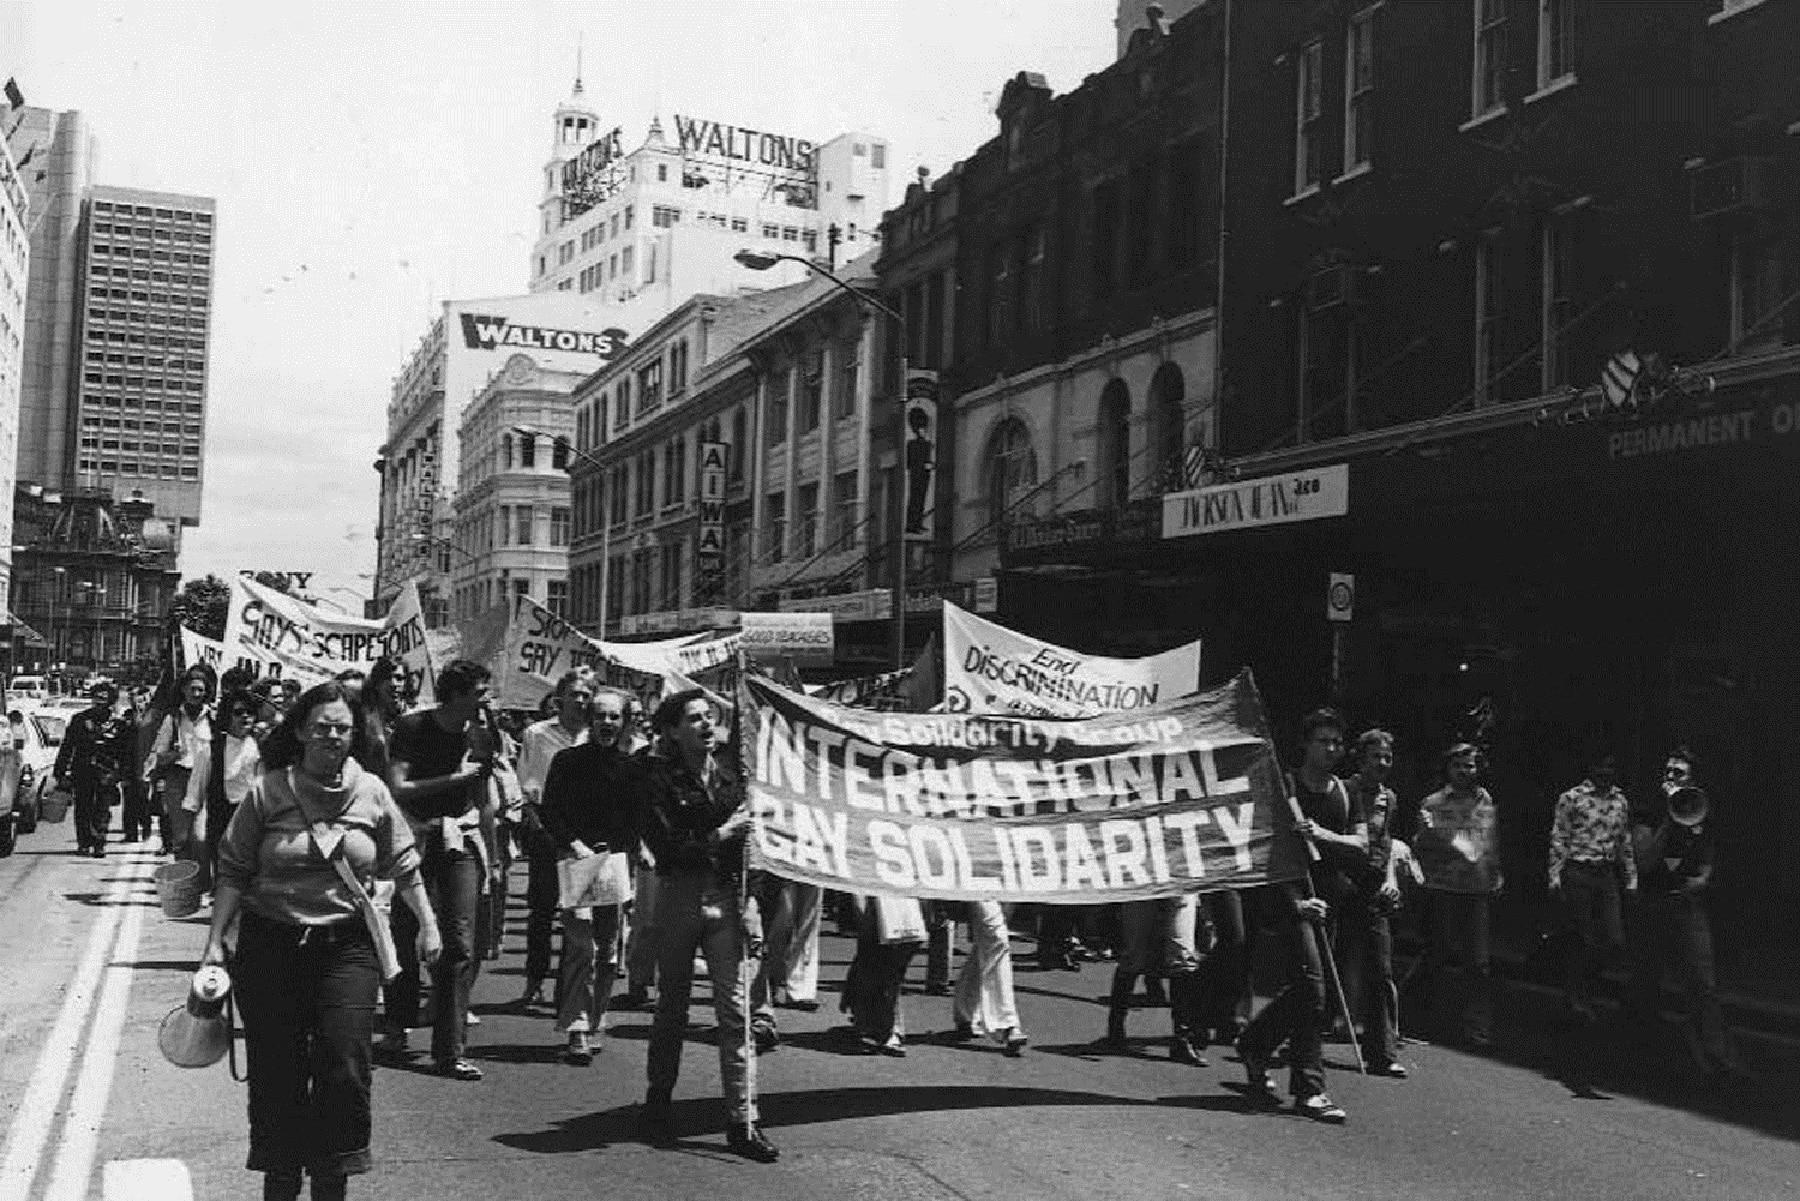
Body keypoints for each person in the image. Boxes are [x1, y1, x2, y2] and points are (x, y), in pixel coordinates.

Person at [204, 680, 442, 1201]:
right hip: (271, 944)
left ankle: (332, 1181)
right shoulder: (269, 791)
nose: (331, 737)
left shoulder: (373, 791)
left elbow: (404, 862)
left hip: (346, 947)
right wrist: (215, 942)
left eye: (341, 728)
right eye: (321, 727)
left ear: (354, 735)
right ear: (301, 732)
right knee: (278, 1070)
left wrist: (428, 922)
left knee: (344, 1064)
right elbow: (233, 868)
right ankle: (282, 1179)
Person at [635, 689, 776, 1163]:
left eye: (710, 717)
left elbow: (750, 846)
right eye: (693, 718)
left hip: (728, 897)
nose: (705, 725)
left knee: (735, 1013)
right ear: (673, 730)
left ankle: (743, 1119)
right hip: (680, 896)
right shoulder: (658, 780)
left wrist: (752, 896)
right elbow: (669, 847)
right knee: (673, 1002)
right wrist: (722, 832)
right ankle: (659, 1098)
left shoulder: (733, 779)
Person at [379, 660, 498, 1080]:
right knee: (406, 932)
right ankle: (396, 1025)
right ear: (458, 695)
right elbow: (399, 787)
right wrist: (454, 777)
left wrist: (494, 855)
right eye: (481, 691)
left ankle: (450, 1050)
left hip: (458, 840)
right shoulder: (412, 728)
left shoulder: (483, 733)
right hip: (411, 836)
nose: (487, 699)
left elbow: (483, 796)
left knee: (458, 942)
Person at [1236, 708, 1354, 1124]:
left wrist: (1322, 836)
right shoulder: (1283, 787)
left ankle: (1254, 1042)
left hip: (1329, 902)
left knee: (1308, 991)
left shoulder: (1345, 791)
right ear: (1305, 744)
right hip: (1292, 900)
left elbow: (1360, 842)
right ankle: (1310, 1089)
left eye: (1337, 742)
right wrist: (1295, 903)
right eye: (1323, 741)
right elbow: (1265, 850)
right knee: (1313, 989)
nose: (1331, 749)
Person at [1626, 748, 1741, 1080]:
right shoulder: (1648, 812)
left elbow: (1709, 858)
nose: (1672, 777)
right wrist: (1668, 817)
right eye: (1669, 771)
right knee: (1645, 981)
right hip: (1654, 904)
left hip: (1687, 906)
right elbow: (1646, 861)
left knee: (1703, 983)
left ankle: (1719, 1059)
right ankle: (1635, 1052)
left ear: (1693, 780)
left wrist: (1704, 878)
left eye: (1680, 773)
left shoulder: (1701, 812)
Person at [539, 687, 639, 1064]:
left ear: (624, 721)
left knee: (610, 953)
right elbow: (551, 811)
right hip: (577, 859)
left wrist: (628, 852)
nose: (607, 723)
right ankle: (577, 1028)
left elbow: (636, 818)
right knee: (583, 948)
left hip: (614, 864)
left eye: (614, 716)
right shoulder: (567, 761)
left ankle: (595, 1020)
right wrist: (575, 845)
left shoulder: (631, 768)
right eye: (600, 715)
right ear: (589, 720)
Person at [514, 670, 594, 1008]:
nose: (580, 700)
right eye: (574, 693)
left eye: (587, 694)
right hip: (546, 831)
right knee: (542, 911)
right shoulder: (537, 734)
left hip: (585, 836)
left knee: (579, 917)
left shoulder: (597, 735)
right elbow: (525, 785)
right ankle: (535, 980)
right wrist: (535, 827)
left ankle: (569, 990)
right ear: (560, 699)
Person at [1413, 742, 1502, 1049]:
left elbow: (1486, 844)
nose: (1465, 771)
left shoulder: (1485, 800)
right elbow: (1422, 847)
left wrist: (1495, 871)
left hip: (1477, 889)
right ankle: (1421, 1020)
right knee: (1436, 955)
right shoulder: (1432, 803)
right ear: (1448, 769)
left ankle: (1476, 1029)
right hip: (1443, 887)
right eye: (1458, 766)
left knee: (1478, 963)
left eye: (1471, 766)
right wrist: (1436, 835)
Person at [1338, 729, 1406, 1073]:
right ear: (1360, 759)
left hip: (1372, 888)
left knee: (1380, 969)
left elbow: (1387, 842)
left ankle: (1383, 1053)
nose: (1382, 764)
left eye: (1387, 758)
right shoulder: (1343, 791)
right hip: (1340, 886)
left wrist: (1391, 880)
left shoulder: (1389, 799)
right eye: (1375, 757)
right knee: (1329, 965)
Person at [1550, 753, 1637, 1023]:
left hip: (1606, 873)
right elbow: (1560, 836)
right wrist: (1554, 874)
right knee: (1581, 936)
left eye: (1610, 767)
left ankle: (1586, 987)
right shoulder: (1572, 798)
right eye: (1600, 765)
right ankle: (1576, 996)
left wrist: (1631, 876)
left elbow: (1624, 840)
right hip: (1579, 870)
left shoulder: (1619, 801)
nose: (1604, 771)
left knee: (1613, 938)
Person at [1099, 898, 1201, 1064]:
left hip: (1180, 885)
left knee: (1183, 958)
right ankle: (1115, 1030)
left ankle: (1183, 1039)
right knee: (1134, 957)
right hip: (1146, 886)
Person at [53, 681, 131, 858]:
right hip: (82, 770)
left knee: (102, 809)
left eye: (104, 698)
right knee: (82, 808)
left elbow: (125, 752)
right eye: (97, 697)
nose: (100, 701)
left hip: (107, 772)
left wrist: (124, 773)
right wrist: (60, 771)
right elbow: (67, 746)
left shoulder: (118, 724)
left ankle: (99, 842)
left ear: (111, 701)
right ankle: (84, 843)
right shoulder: (79, 720)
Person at [145, 667, 216, 863]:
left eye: (200, 690)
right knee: (182, 838)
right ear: (183, 690)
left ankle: (202, 881)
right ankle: (185, 881)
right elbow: (159, 755)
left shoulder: (213, 718)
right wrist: (174, 754)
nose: (196, 694)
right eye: (192, 689)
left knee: (201, 837)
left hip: (205, 780)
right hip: (179, 780)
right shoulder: (173, 719)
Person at [948, 900, 1030, 1057]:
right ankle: (1005, 1024)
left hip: (1004, 882)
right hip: (979, 882)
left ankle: (965, 1009)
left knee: (987, 942)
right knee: (996, 939)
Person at [205, 692, 265, 885]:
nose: (245, 717)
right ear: (227, 716)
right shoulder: (212, 748)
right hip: (223, 816)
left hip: (255, 815)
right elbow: (197, 787)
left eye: (250, 712)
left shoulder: (262, 744)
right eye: (239, 712)